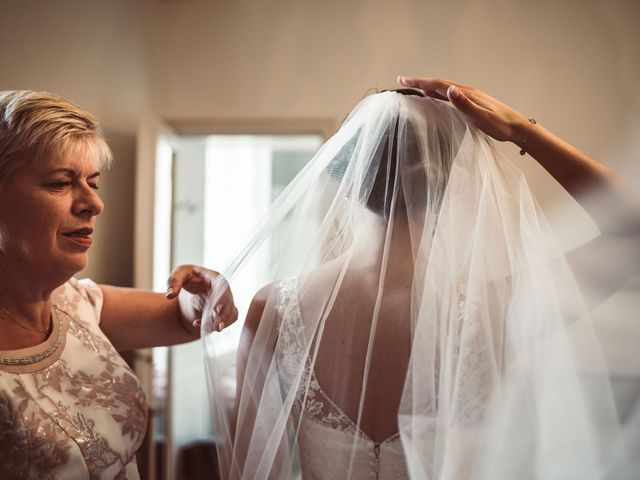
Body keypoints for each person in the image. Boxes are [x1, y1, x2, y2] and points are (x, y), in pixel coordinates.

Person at [203, 78, 640, 479]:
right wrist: (519, 130)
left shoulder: (274, 311)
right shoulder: (494, 311)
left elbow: (246, 471)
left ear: (346, 176)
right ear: (445, 181)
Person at [0, 90, 238, 479]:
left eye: (93, 183)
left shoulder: (77, 301)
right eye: (62, 183)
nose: (94, 203)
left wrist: (205, 294)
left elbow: (187, 318)